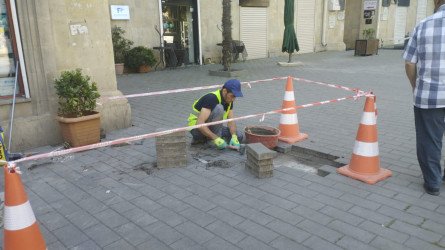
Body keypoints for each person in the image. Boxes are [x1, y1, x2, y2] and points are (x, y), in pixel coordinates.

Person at [402, 0, 445, 196]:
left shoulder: (423, 25)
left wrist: (415, 86)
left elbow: (410, 63)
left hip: (429, 94)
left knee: (429, 139)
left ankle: (433, 182)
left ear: (437, 1)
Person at [188, 79, 244, 149]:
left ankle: (207, 139)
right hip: (197, 129)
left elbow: (231, 121)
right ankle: (210, 140)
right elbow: (199, 123)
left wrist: (234, 136)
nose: (233, 99)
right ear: (224, 91)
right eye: (232, 96)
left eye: (235, 97)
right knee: (219, 108)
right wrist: (216, 138)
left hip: (213, 126)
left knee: (239, 135)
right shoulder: (211, 98)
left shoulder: (229, 100)